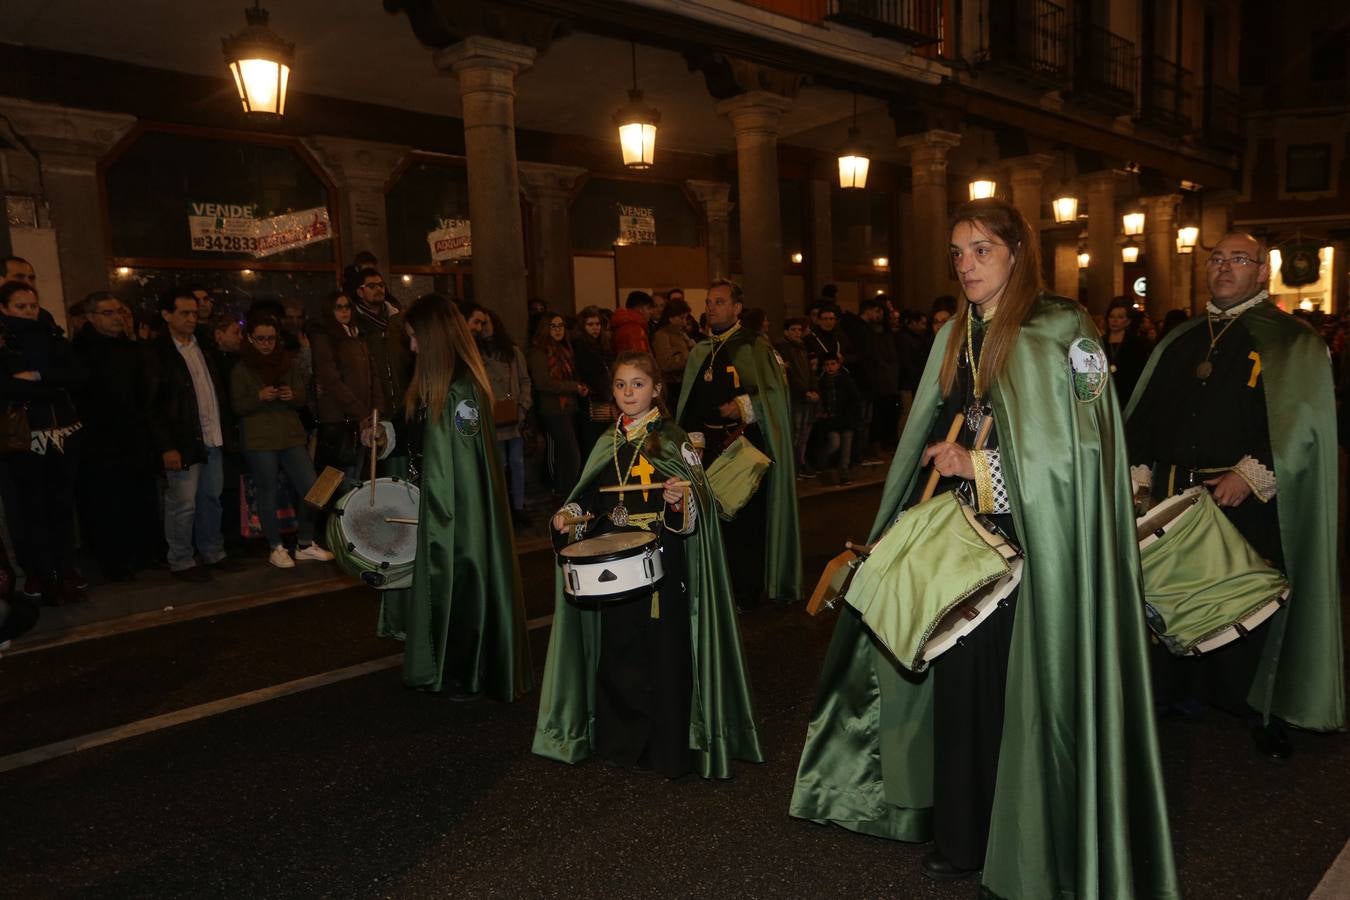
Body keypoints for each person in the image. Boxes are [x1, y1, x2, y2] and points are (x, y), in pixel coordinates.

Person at [790, 198, 1178, 897]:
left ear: (1017, 253)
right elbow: (937, 423)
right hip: (957, 537)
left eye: (981, 250)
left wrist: (983, 467)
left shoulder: (1063, 328)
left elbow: (1084, 453)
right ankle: (960, 832)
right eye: (957, 253)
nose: (966, 265)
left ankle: (1015, 837)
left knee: (1004, 691)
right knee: (955, 683)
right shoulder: (955, 333)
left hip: (1032, 546)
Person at [1126, 232, 1344, 758]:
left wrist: (1250, 474)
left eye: (1239, 259)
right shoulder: (1178, 339)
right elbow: (1146, 416)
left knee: (1248, 605)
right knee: (1172, 597)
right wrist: (1139, 474)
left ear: (1262, 271)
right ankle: (1174, 695)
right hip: (1175, 491)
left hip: (1243, 497)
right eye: (1217, 259)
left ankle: (1260, 707)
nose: (1224, 268)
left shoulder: (1291, 342)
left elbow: (1303, 425)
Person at [533, 350, 762, 778]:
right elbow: (589, 497)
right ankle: (622, 743)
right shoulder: (607, 440)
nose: (628, 392)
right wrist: (569, 514)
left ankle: (665, 747)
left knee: (663, 653)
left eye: (637, 384)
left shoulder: (671, 439)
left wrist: (678, 500)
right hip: (613, 563)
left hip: (662, 563)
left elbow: (700, 507)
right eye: (621, 385)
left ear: (656, 389)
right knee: (618, 650)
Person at [377, 294, 532, 700]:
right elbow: (415, 432)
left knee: (461, 585)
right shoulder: (432, 384)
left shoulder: (462, 391)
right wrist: (386, 434)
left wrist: (443, 512)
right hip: (434, 506)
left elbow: (463, 471)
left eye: (416, 338)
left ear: (435, 340)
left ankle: (467, 670)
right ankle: (446, 663)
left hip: (457, 517)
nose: (412, 348)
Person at [676, 279, 800, 609]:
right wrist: (695, 442)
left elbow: (775, 395)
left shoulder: (754, 347)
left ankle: (746, 592)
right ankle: (719, 588)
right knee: (715, 523)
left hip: (746, 448)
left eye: (719, 302)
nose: (711, 308)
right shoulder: (701, 351)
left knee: (746, 523)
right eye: (708, 302)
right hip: (711, 448)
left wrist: (743, 406)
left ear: (736, 308)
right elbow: (691, 405)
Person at [144, 290, 244, 582]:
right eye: (184, 313)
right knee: (183, 502)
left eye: (194, 313)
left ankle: (213, 552)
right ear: (167, 315)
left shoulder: (204, 345)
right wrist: (167, 446)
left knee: (211, 498)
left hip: (211, 435)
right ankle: (181, 560)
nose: (191, 318)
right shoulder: (158, 352)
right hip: (182, 439)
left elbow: (215, 391)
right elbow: (153, 405)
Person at [0, 282, 86, 604]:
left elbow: (78, 376)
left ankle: (65, 570)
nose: (28, 312)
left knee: (62, 506)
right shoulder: (4, 341)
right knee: (32, 508)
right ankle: (42, 573)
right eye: (20, 307)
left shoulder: (51, 334)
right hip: (25, 438)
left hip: (63, 433)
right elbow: (8, 387)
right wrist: (53, 384)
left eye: (32, 306)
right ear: (4, 308)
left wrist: (38, 377)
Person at [230, 315, 334, 569]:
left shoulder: (288, 363)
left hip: (289, 433)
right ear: (250, 339)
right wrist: (259, 396)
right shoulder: (241, 368)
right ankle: (275, 546)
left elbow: (302, 398)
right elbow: (236, 405)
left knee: (313, 487)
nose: (267, 344)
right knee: (267, 490)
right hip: (259, 437)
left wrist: (291, 395)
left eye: (271, 339)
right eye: (261, 339)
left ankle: (304, 542)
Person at [72, 292, 158, 581]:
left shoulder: (130, 349)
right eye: (107, 313)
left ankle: (141, 554)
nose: (117, 318)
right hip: (100, 442)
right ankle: (113, 561)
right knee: (107, 504)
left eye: (119, 311)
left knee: (137, 499)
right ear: (91, 317)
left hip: (134, 438)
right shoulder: (81, 351)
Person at [310, 291, 373, 484]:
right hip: (338, 419)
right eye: (339, 307)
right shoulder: (324, 337)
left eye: (347, 307)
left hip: (357, 416)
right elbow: (331, 380)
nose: (345, 311)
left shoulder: (357, 335)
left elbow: (371, 375)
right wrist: (359, 411)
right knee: (335, 481)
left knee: (354, 476)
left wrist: (368, 410)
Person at [477, 310, 533, 527]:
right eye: (480, 323)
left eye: (487, 322)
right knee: (498, 464)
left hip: (514, 415)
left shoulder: (512, 352)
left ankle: (518, 506)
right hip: (492, 416)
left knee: (517, 463)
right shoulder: (477, 353)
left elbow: (525, 380)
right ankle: (501, 509)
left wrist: (523, 405)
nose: (483, 327)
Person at [529, 312, 588, 497]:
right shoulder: (539, 353)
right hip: (553, 409)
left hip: (568, 407)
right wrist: (573, 387)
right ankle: (567, 492)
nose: (558, 330)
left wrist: (578, 387)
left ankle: (563, 491)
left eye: (561, 326)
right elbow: (543, 383)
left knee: (564, 454)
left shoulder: (565, 350)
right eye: (553, 326)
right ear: (545, 329)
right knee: (571, 454)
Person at [775, 317, 818, 477]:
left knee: (804, 432)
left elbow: (809, 371)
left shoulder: (802, 347)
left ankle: (800, 462)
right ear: (786, 332)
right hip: (795, 397)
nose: (797, 333)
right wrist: (804, 391)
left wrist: (814, 389)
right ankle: (793, 466)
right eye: (793, 330)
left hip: (805, 395)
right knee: (795, 432)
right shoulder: (783, 348)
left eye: (799, 330)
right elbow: (790, 374)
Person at [811, 355, 861, 485]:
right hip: (831, 420)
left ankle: (844, 472)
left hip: (846, 419)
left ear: (838, 365)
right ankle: (822, 463)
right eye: (827, 365)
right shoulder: (821, 382)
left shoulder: (846, 380)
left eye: (833, 364)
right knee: (834, 443)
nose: (830, 367)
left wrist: (852, 416)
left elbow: (854, 399)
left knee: (846, 448)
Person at [571, 306, 613, 449]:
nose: (595, 328)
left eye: (597, 324)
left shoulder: (603, 345)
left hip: (604, 397)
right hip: (590, 400)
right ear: (583, 326)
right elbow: (587, 373)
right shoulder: (580, 346)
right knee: (593, 441)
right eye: (590, 324)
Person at [1102, 297, 1150, 403]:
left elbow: (1140, 372)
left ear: (1128, 321)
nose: (1114, 320)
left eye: (1120, 317)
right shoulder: (1101, 342)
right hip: (1105, 392)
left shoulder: (1136, 344)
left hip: (1128, 393)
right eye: (1111, 316)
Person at [651, 296, 695, 398]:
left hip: (683, 382)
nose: (684, 322)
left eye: (686, 318)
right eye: (682, 318)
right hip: (671, 386)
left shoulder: (680, 332)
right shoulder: (661, 335)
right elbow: (665, 364)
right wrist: (690, 355)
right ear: (671, 318)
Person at [610, 290, 654, 355]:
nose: (651, 312)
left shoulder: (624, 324)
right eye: (648, 308)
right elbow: (639, 357)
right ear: (639, 309)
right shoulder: (634, 329)